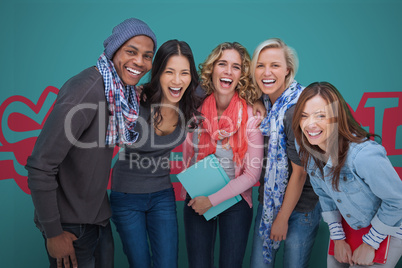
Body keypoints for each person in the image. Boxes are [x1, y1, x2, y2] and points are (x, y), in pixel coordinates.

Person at [25, 18, 157, 268]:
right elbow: (40, 166)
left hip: (97, 220)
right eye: (131, 51)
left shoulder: (119, 92)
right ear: (113, 50)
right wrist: (53, 232)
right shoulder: (86, 91)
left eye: (147, 56)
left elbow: (168, 88)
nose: (140, 62)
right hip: (69, 228)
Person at [110, 39, 201, 268]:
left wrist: (258, 104)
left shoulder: (191, 98)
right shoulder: (136, 99)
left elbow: (227, 87)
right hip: (126, 196)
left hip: (162, 194)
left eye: (184, 73)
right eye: (169, 71)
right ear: (158, 72)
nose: (177, 80)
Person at [292, 81, 402, 268]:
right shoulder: (308, 149)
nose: (310, 124)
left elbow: (397, 201)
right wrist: (338, 238)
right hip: (350, 226)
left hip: (389, 228)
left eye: (321, 115)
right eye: (304, 116)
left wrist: (370, 243)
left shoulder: (363, 156)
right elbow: (325, 194)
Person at [181, 42, 264, 268]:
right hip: (198, 197)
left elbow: (252, 174)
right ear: (212, 69)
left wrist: (212, 200)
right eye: (222, 64)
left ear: (241, 75)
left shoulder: (251, 116)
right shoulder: (194, 108)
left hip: (236, 202)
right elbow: (188, 155)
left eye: (235, 67)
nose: (228, 71)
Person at [249, 38, 321, 268]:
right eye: (260, 65)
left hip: (301, 207)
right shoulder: (265, 103)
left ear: (288, 70)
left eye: (275, 65)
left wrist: (281, 219)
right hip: (269, 202)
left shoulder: (295, 111)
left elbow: (300, 173)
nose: (266, 72)